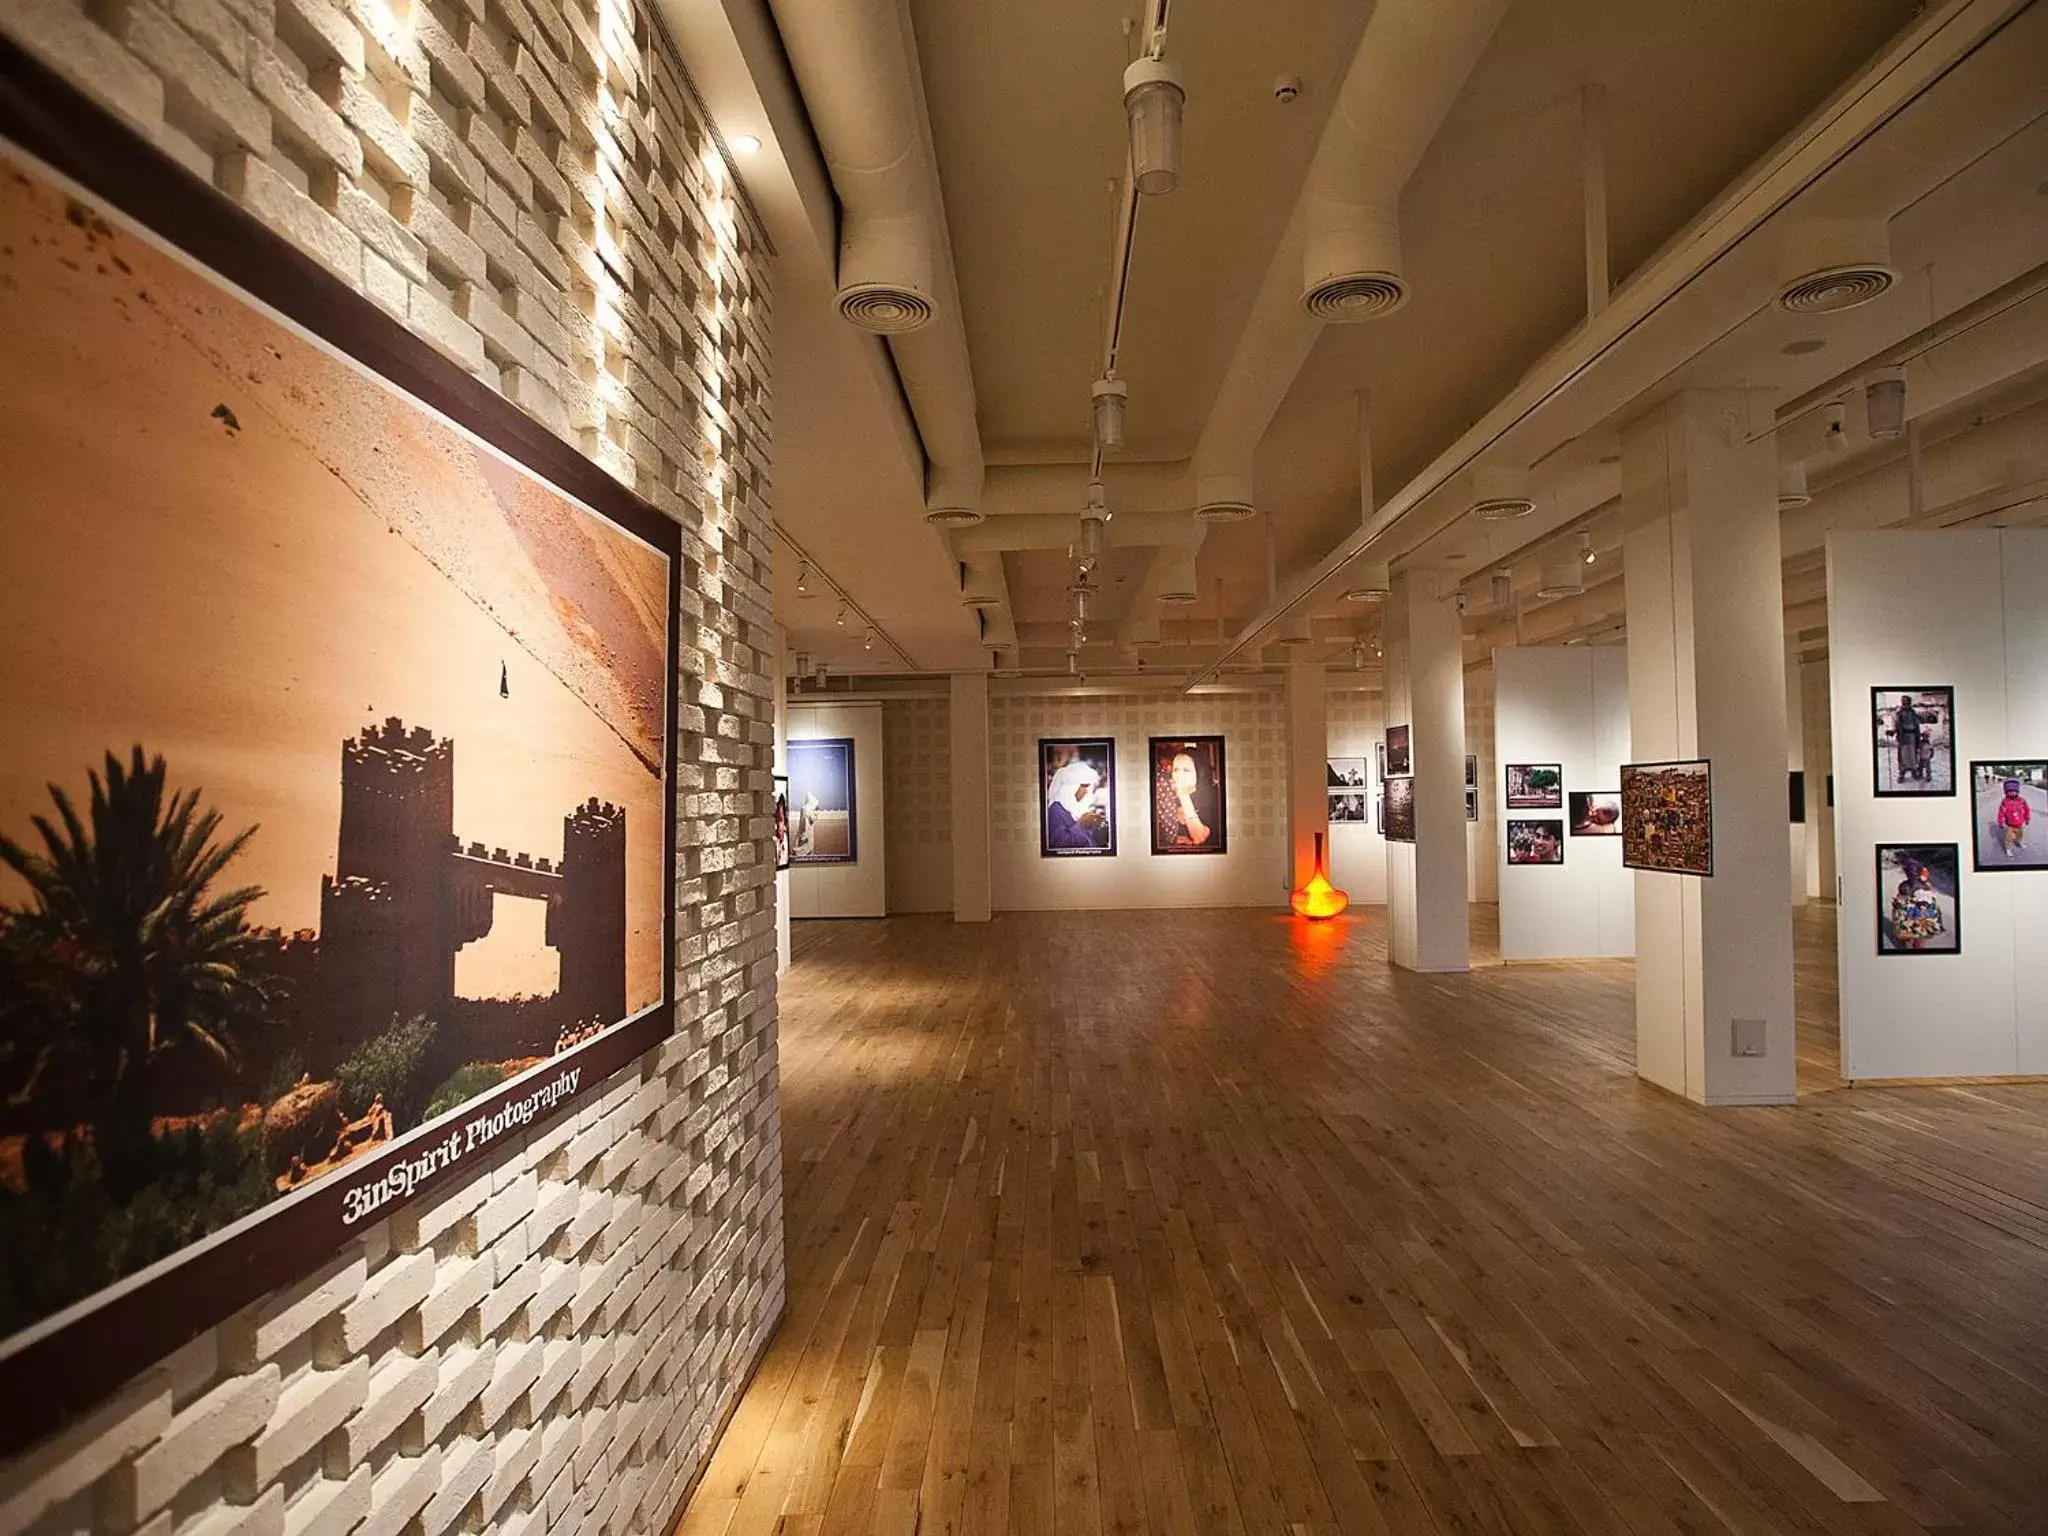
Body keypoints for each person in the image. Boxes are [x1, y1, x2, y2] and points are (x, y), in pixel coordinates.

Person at [1157, 750, 1214, 848]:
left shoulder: (1211, 796)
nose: (1179, 775)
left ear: (1200, 771)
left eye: (1186, 770)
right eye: (1176, 770)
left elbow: (1200, 838)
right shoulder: (1169, 795)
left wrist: (1183, 794)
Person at [1045, 759, 1107, 850]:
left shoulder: (1078, 808)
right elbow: (1059, 845)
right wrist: (1082, 824)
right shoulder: (1056, 810)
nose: (1086, 791)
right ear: (1070, 788)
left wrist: (1097, 826)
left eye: (1087, 787)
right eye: (1083, 786)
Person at [1891, 695, 1926, 784]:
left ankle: (1914, 771)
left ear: (1909, 703)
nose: (1905, 703)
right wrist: (1892, 731)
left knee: (1913, 754)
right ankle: (1902, 773)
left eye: (1906, 702)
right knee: (1903, 755)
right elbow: (1895, 725)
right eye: (1903, 702)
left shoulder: (1913, 713)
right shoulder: (1898, 713)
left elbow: (1918, 723)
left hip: (1912, 736)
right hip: (1903, 737)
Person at [1996, 777, 2031, 857]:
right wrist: (2000, 822)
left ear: (2017, 791)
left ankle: (2019, 842)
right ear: (2006, 792)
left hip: (2020, 824)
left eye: (2014, 791)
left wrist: (2027, 818)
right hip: (2010, 825)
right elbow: (2001, 812)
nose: (2012, 793)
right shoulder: (2005, 802)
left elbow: (2027, 809)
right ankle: (2008, 849)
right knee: (2009, 838)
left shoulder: (2022, 800)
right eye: (2009, 791)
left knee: (2020, 835)